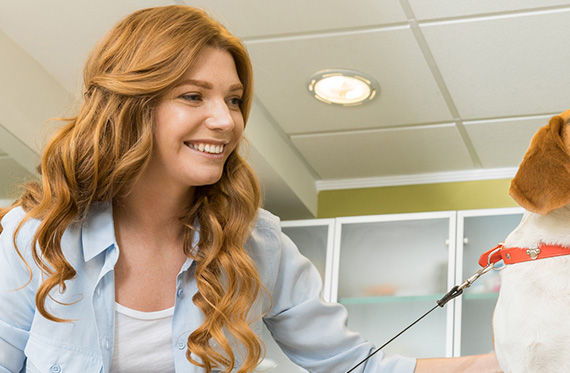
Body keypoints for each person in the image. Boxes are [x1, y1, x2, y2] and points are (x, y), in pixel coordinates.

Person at [0, 6, 498, 373]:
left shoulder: (257, 243)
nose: (225, 120)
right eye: (193, 96)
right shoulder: (35, 236)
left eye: (234, 100)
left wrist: (505, 361)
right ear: (131, 106)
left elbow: (356, 368)